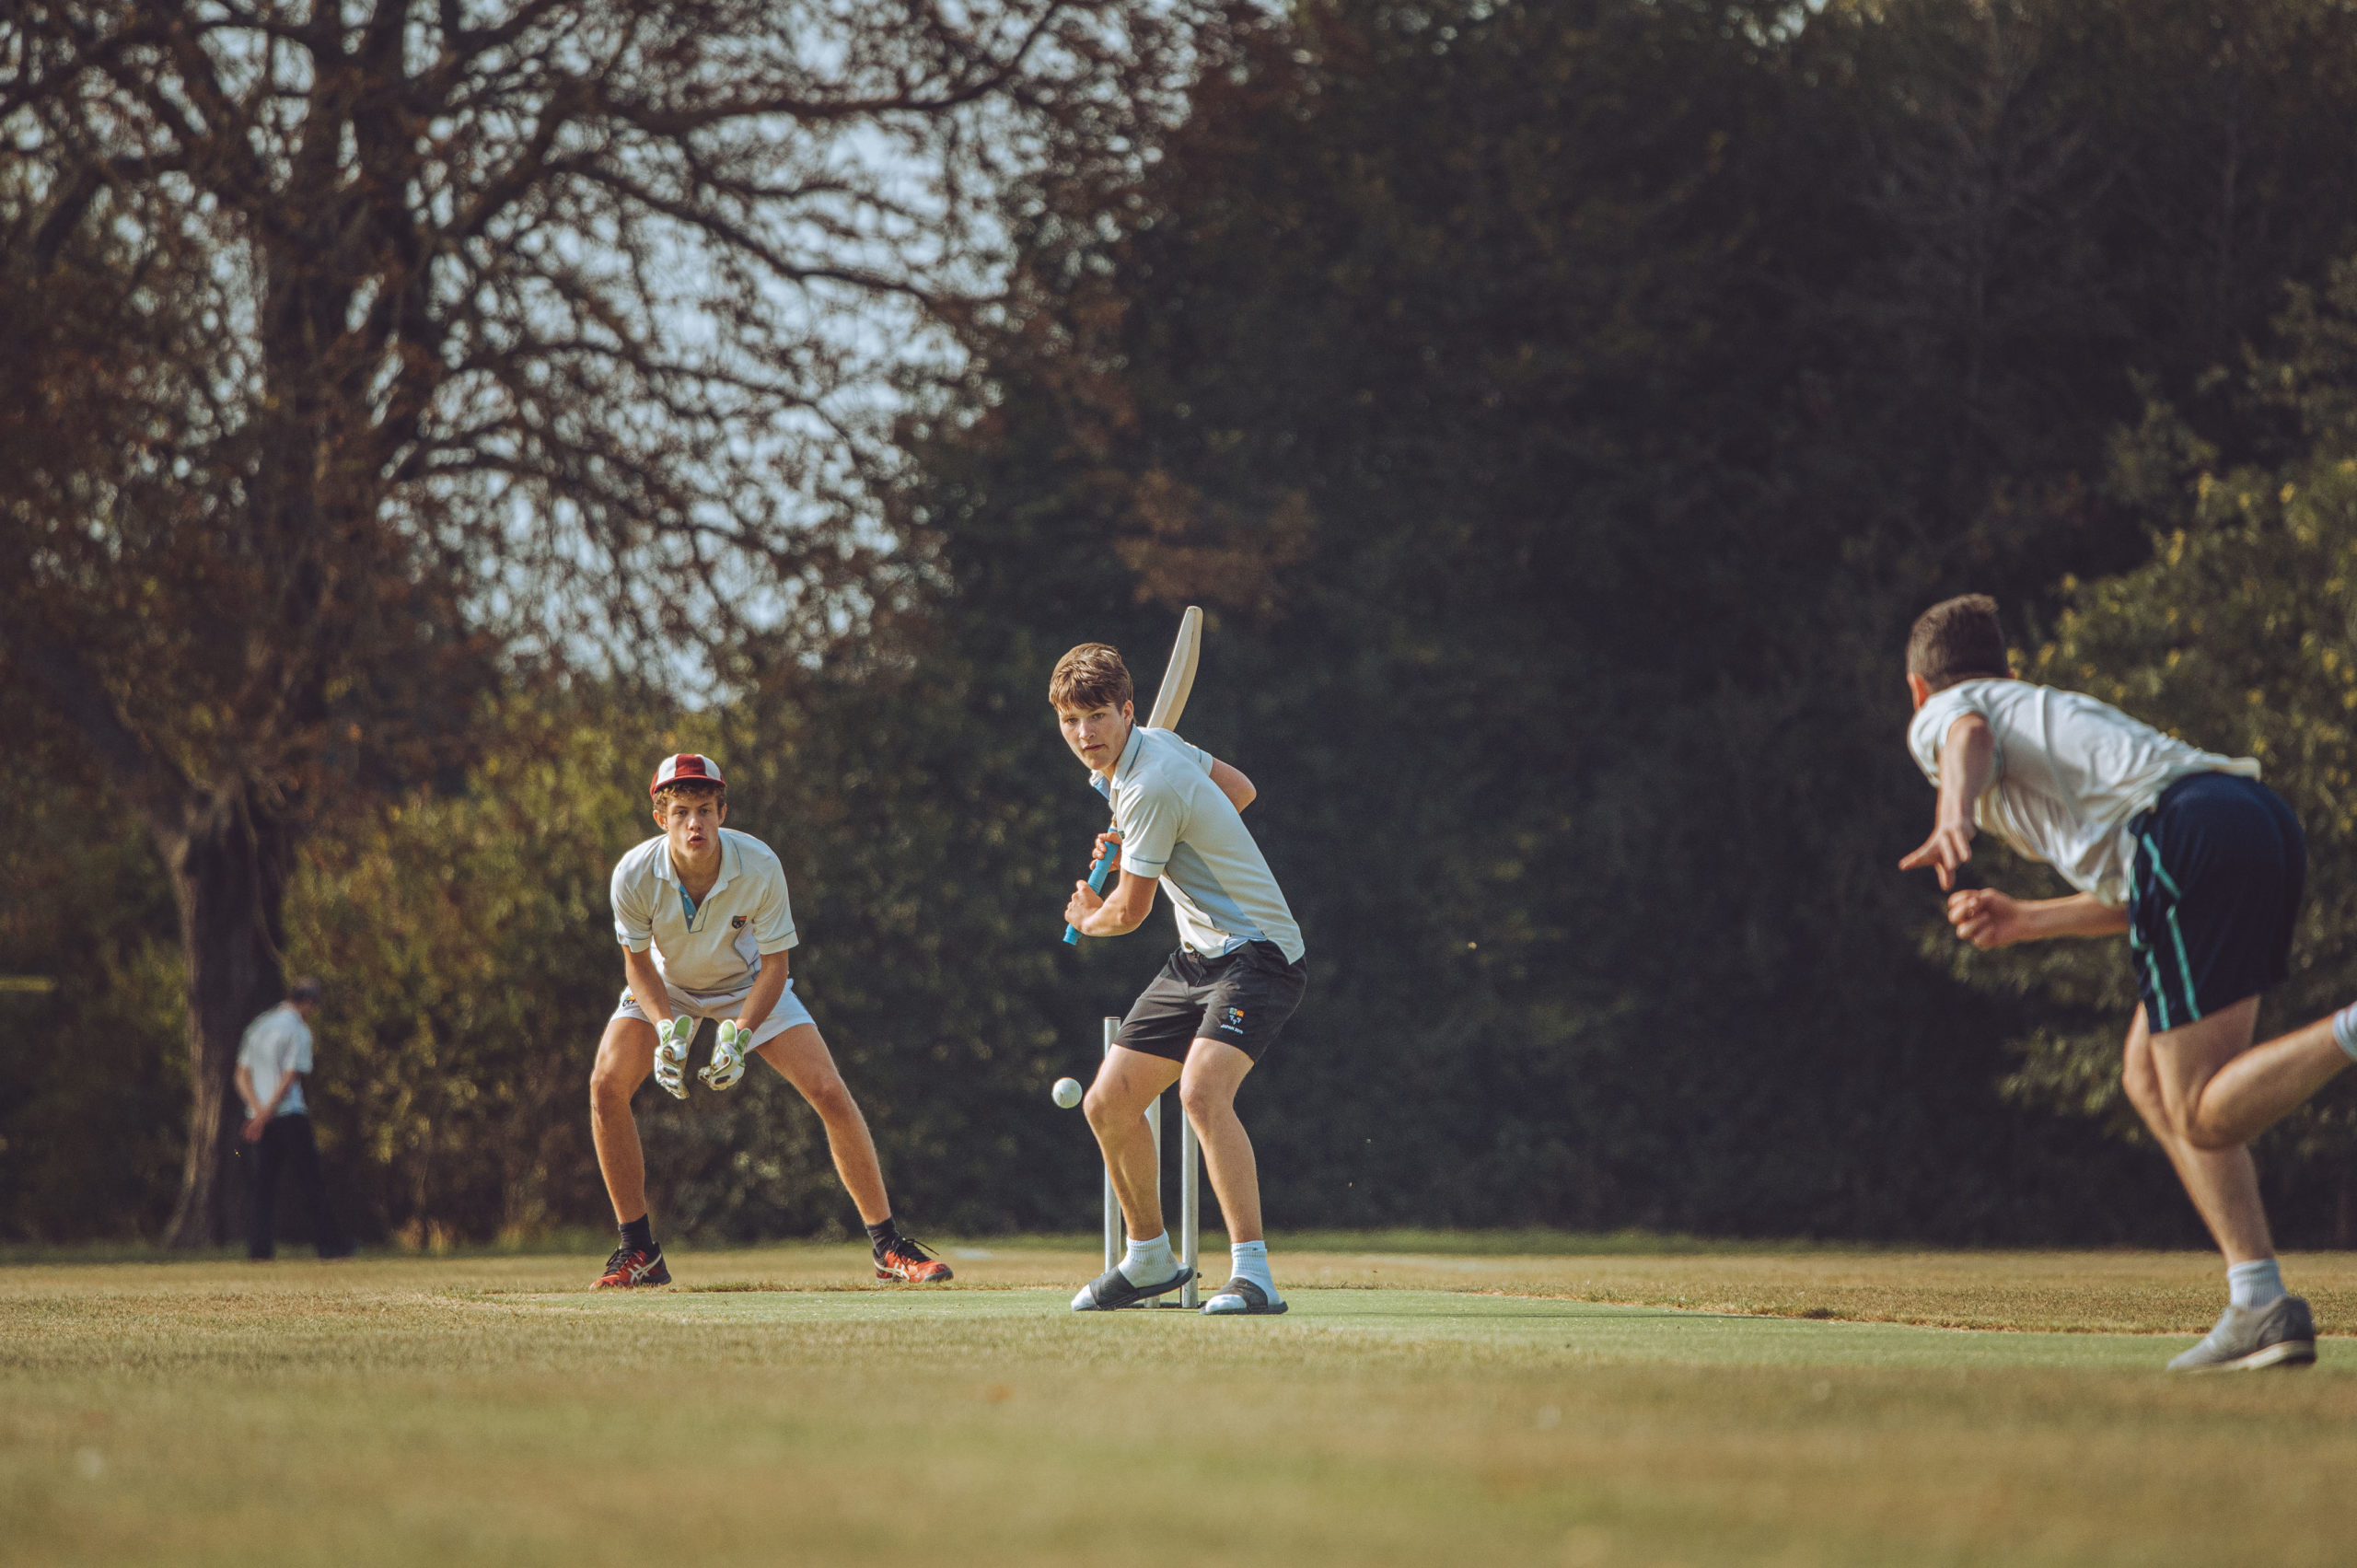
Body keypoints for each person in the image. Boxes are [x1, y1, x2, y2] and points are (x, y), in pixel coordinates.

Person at [1898, 593, 2357, 1371]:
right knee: (2146, 1075)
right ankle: (2258, 1301)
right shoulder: (2032, 705)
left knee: (2202, 1114)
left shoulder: (1947, 714)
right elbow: (2145, 895)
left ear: (1918, 690)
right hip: (2253, 819)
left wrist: (1956, 816)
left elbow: (1966, 734)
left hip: (2185, 831)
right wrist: (2026, 919)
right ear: (2012, 668)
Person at [587, 752, 951, 1289]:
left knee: (829, 1090)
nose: (696, 824)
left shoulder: (759, 864)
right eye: (683, 810)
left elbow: (778, 966)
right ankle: (638, 1251)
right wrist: (666, 1028)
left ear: (723, 812)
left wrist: (738, 1034)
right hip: (668, 991)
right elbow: (637, 965)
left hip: (751, 986)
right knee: (604, 1086)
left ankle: (888, 1249)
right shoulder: (633, 873)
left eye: (707, 810)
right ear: (661, 816)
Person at [1054, 643, 1309, 1316]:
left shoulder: (1149, 781)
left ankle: (1254, 1275)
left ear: (1127, 711)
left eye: (1099, 716)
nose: (1086, 734)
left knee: (1200, 1092)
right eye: (1072, 720)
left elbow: (1129, 915)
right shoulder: (1149, 758)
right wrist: (1160, 835)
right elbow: (1239, 790)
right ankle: (1147, 1258)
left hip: (1261, 953)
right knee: (1107, 1103)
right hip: (1198, 957)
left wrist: (1090, 910)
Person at [236, 977, 351, 1260]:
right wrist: (267, 1114)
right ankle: (330, 1245)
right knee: (311, 1181)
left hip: (257, 1116)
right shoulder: (297, 1030)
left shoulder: (260, 1025)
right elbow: (289, 1077)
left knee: (263, 1186)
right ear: (308, 1002)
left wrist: (257, 1112)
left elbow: (241, 1074)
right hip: (288, 1114)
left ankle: (259, 1250)